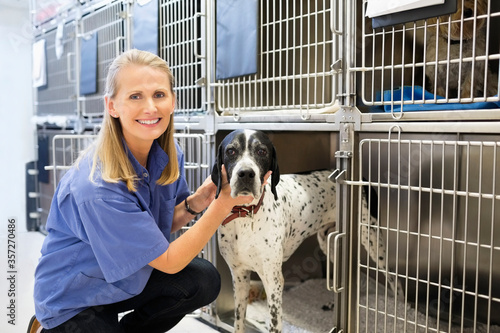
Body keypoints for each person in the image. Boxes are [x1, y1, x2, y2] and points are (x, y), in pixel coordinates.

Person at [30, 49, 270, 333]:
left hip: (124, 279)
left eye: (159, 94)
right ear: (112, 106)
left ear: (173, 101)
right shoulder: (97, 186)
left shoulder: (167, 154)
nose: (150, 108)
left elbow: (154, 228)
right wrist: (221, 206)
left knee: (202, 280)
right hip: (75, 297)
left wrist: (197, 202)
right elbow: (168, 262)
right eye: (135, 96)